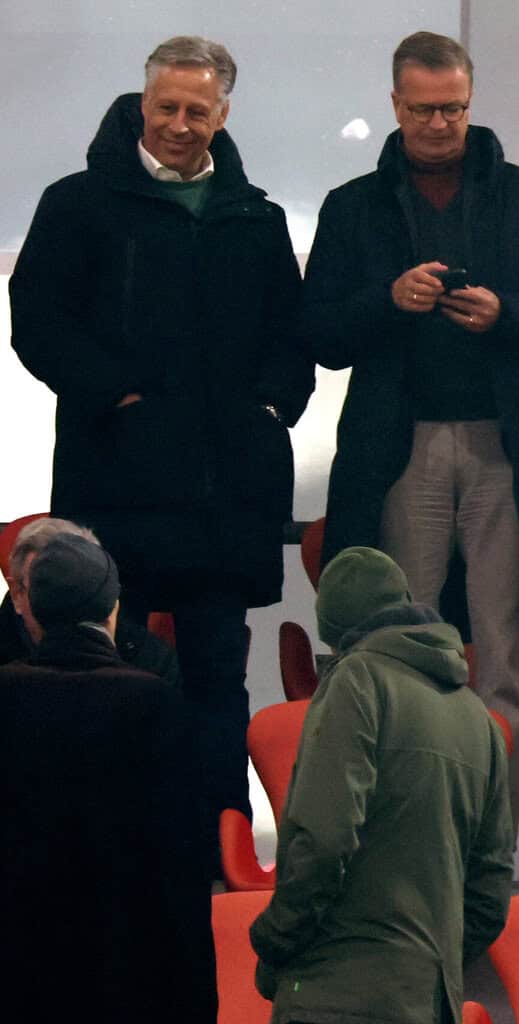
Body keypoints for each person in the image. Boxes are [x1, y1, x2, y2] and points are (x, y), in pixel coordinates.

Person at [303, 30, 519, 841]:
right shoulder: (353, 206)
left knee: (505, 649)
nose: (440, 124)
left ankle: (489, 844)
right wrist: (387, 300)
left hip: (507, 446)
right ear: (394, 105)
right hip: (401, 447)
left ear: (471, 103)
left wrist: (507, 313)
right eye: (424, 110)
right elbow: (318, 332)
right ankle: (410, 842)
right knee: (403, 645)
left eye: (454, 109)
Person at [9, 36, 313, 837]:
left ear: (223, 114)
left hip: (226, 499)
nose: (180, 124)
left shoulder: (257, 218)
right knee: (111, 683)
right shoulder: (76, 204)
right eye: (166, 107)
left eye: (196, 110)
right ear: (142, 105)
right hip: (116, 488)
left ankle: (217, 849)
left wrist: (271, 409)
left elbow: (292, 335)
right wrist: (118, 396)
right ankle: (117, 849)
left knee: (218, 684)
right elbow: (38, 323)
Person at [250, 546, 517, 1024]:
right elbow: (491, 890)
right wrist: (427, 965)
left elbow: (324, 839)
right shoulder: (479, 718)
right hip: (430, 1000)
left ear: (335, 633)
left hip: (336, 996)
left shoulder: (357, 680)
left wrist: (274, 938)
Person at [0, 533, 214, 1022]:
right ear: (112, 607)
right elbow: (182, 863)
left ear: (31, 608)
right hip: (128, 970)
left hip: (19, 969)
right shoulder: (152, 702)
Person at [1, 517, 179, 683]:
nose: (68, 604)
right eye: (46, 586)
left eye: (79, 586)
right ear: (17, 594)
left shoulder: (149, 660)